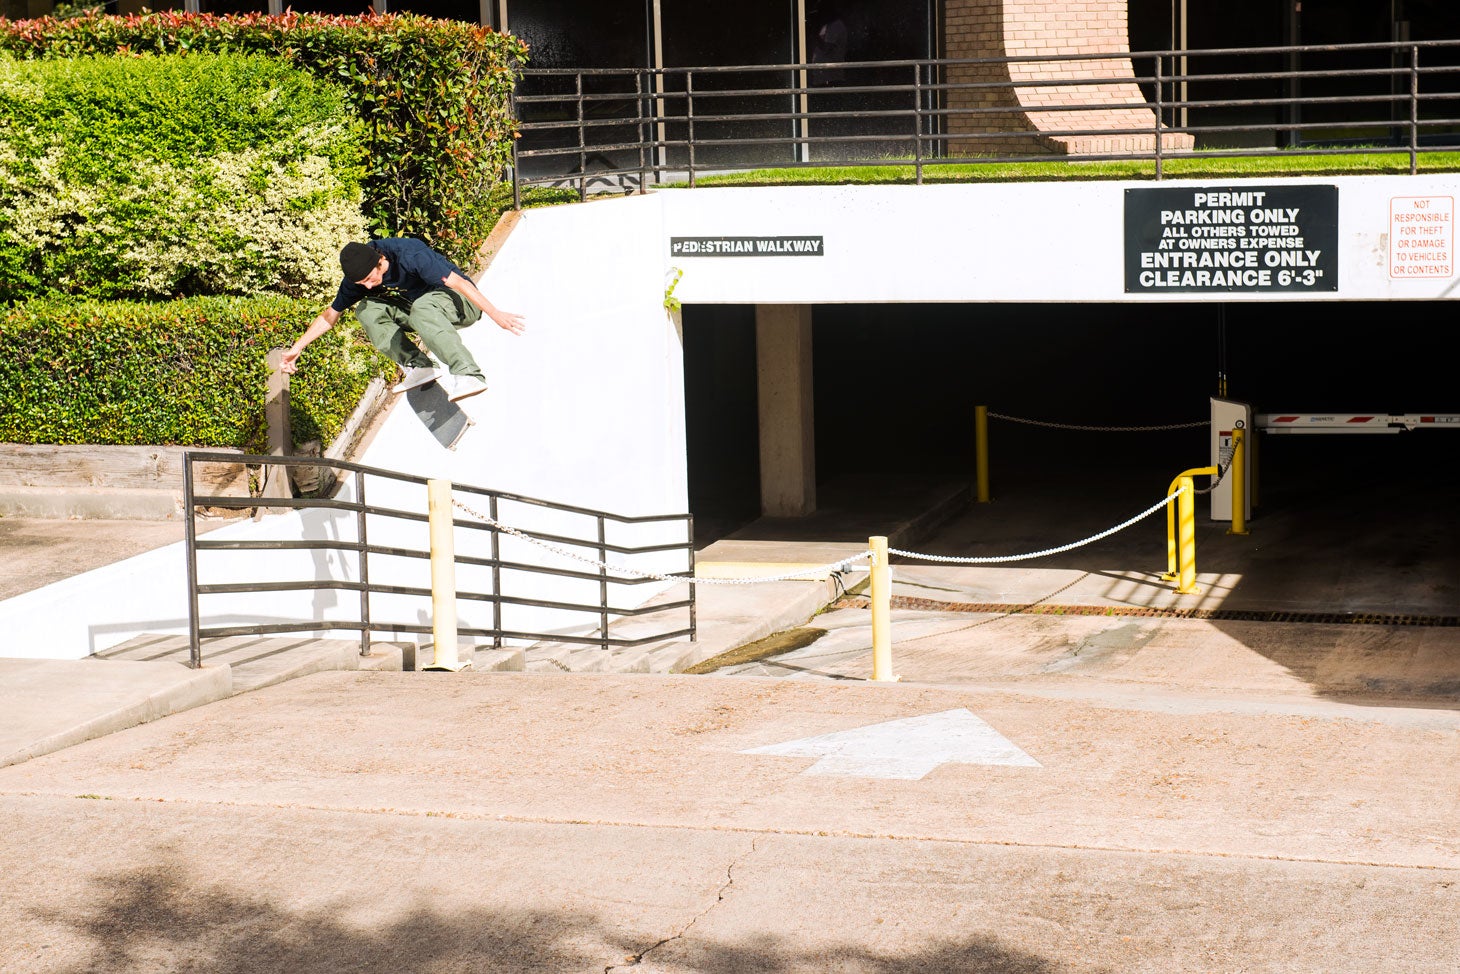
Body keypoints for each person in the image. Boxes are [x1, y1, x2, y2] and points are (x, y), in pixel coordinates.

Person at [280, 237, 525, 402]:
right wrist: (297, 348)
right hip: (421, 312)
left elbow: (459, 283)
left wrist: (497, 315)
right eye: (361, 283)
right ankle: (419, 365)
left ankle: (468, 374)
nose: (366, 285)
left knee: (422, 306)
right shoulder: (359, 278)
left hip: (462, 303)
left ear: (379, 262)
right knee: (366, 309)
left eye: (369, 278)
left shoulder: (409, 254)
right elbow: (329, 316)